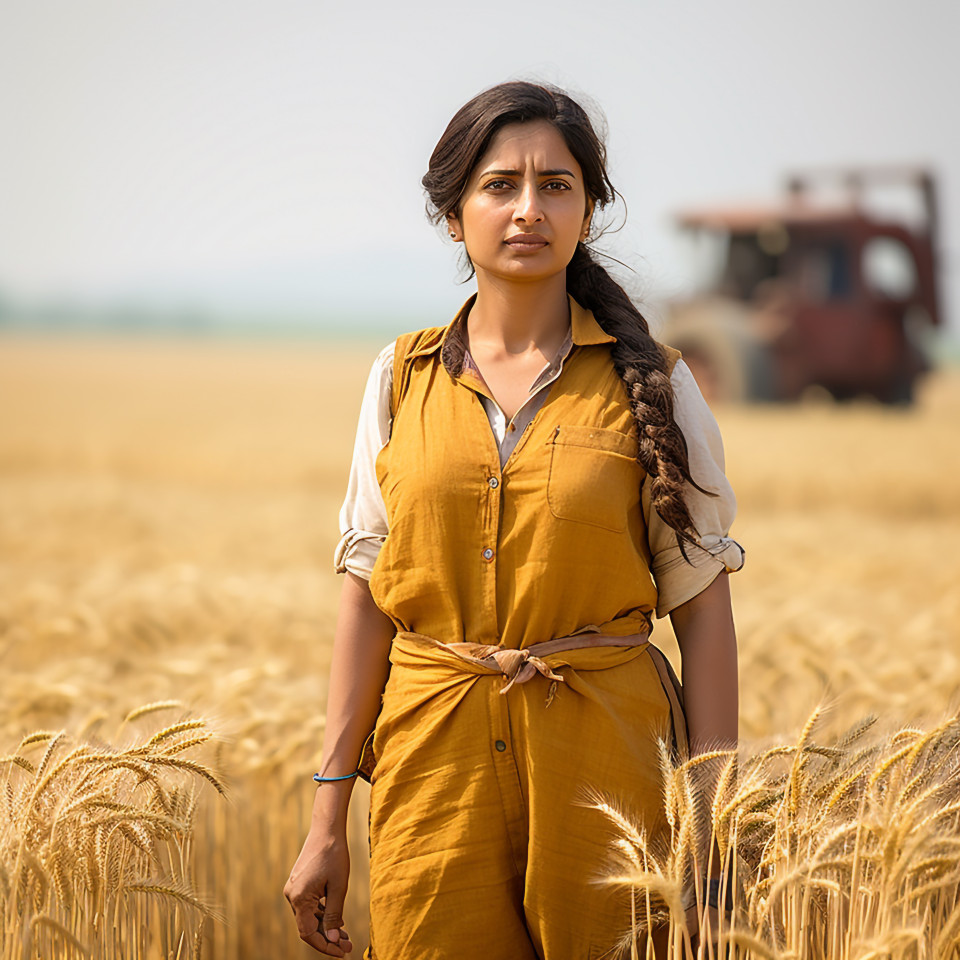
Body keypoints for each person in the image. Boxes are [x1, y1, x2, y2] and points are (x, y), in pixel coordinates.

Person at [284, 80, 743, 960]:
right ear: (454, 214)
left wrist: (710, 833)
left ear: (587, 209)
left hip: (609, 773)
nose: (528, 208)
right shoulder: (399, 379)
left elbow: (705, 615)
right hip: (432, 777)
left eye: (556, 184)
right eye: (500, 184)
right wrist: (327, 818)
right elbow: (366, 599)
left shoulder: (654, 384)